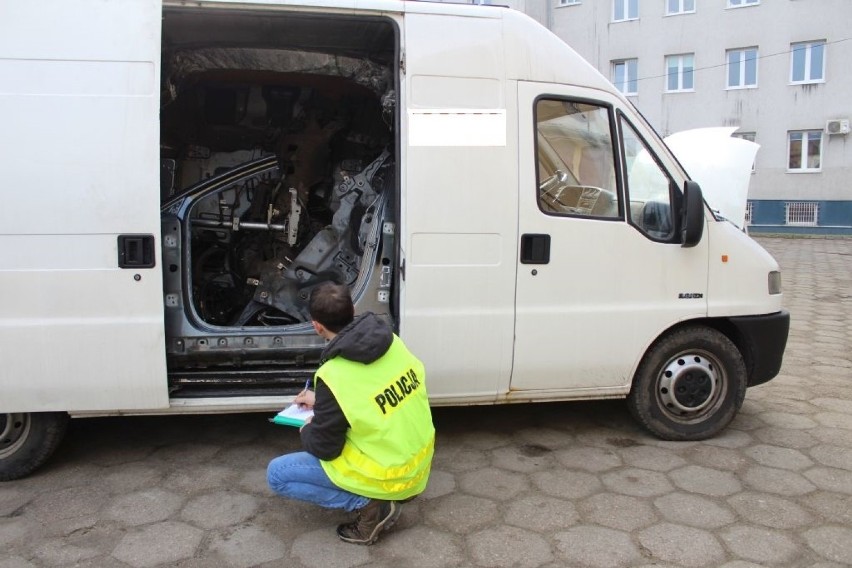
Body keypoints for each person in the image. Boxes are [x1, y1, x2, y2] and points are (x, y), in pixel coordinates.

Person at [267, 282, 435, 545]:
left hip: (389, 476)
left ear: (317, 326)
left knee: (277, 474)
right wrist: (322, 401)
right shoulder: (393, 343)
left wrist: (307, 429)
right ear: (353, 309)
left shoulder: (335, 374)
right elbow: (369, 394)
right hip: (417, 470)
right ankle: (384, 496)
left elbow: (326, 448)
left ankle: (369, 504)